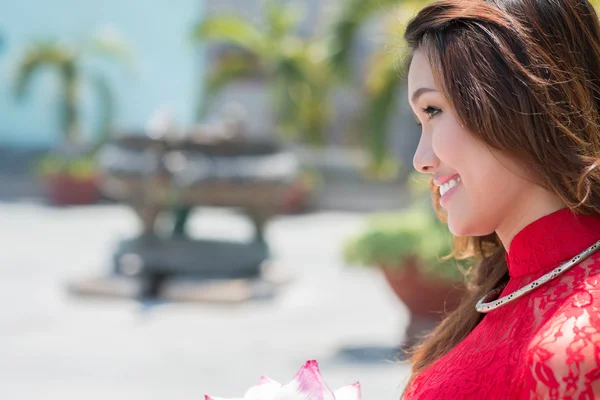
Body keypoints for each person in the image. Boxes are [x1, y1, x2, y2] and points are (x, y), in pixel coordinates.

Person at [401, 0, 600, 398]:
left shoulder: (575, 346)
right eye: (419, 120)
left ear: (518, 102)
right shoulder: (502, 291)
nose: (421, 160)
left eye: (434, 110)